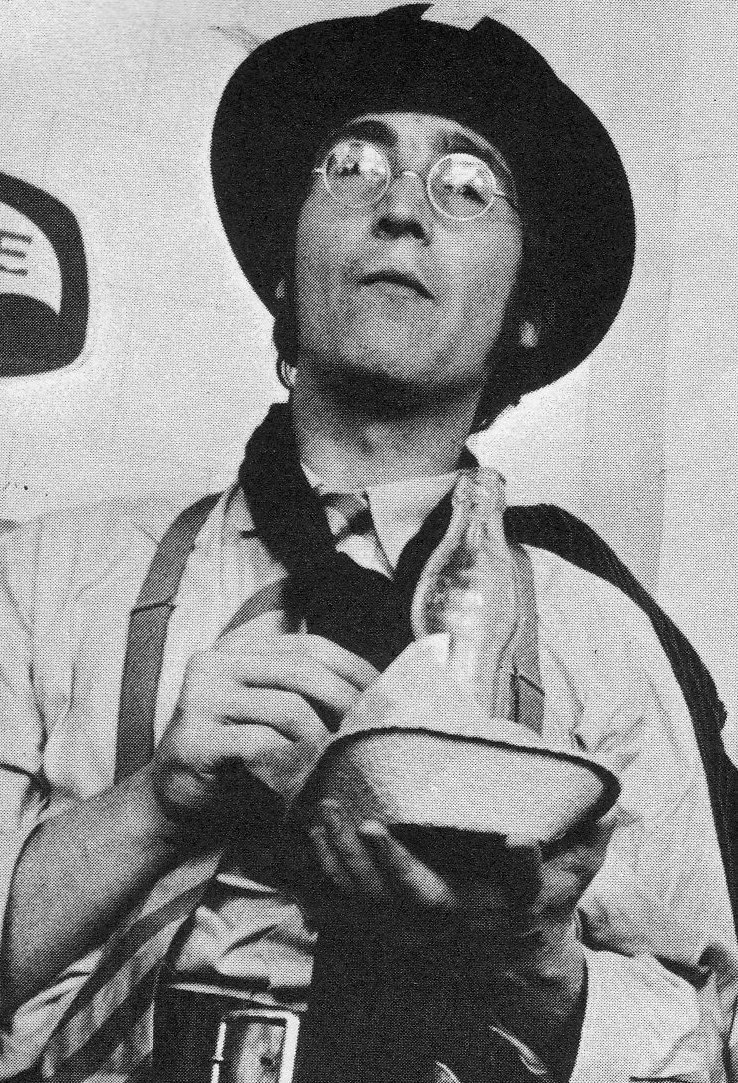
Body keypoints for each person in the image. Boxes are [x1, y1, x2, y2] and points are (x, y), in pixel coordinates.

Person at [0, 5, 736, 1082]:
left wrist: (531, 959)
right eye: (352, 166)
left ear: (525, 313)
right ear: (287, 272)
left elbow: (703, 1046)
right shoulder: (43, 576)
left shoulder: (602, 640)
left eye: (466, 186)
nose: (398, 209)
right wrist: (154, 805)